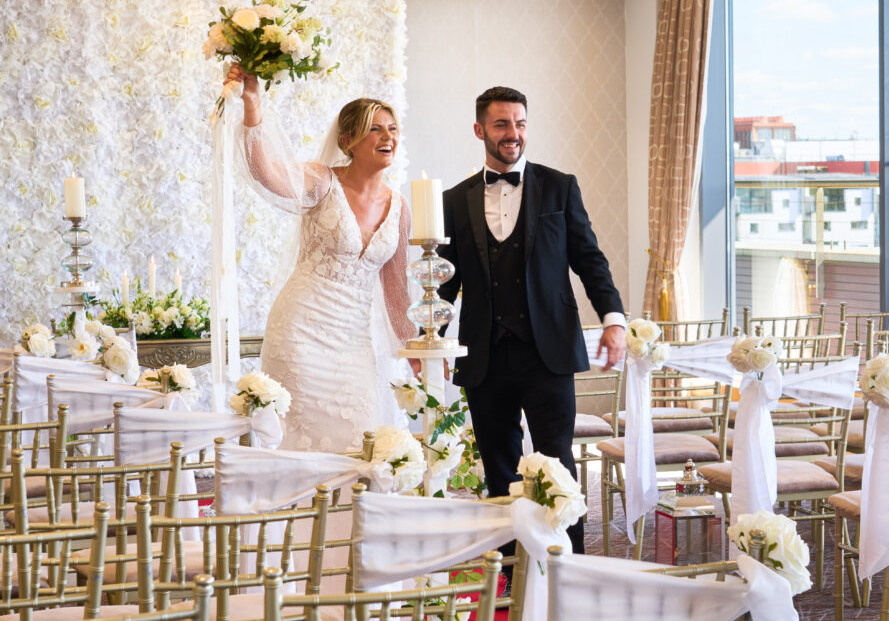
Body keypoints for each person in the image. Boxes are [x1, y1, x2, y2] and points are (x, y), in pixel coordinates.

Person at [438, 86, 626, 553]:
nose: (513, 134)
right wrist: (430, 340)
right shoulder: (454, 199)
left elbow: (589, 259)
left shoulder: (560, 186)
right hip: (484, 354)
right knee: (499, 467)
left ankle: (570, 565)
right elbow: (442, 280)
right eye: (502, 124)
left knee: (556, 463)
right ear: (480, 130)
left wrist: (613, 317)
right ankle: (508, 573)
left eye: (520, 123)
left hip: (548, 352)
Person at [228, 64, 417, 451]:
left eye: (392, 128)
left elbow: (397, 291)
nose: (388, 137)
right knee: (298, 438)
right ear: (348, 140)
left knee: (359, 439)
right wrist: (253, 104)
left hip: (355, 341)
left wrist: (416, 353)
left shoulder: (400, 206)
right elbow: (264, 172)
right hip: (301, 333)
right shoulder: (322, 180)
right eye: (375, 128)